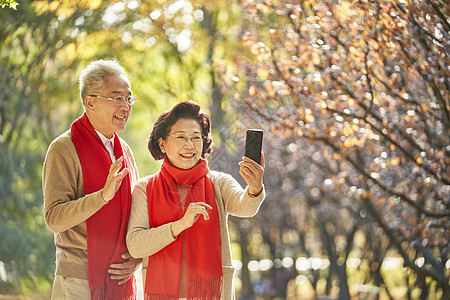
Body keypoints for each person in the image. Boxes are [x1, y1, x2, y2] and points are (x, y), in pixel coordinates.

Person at [126, 100, 266, 300]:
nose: (189, 145)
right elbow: (136, 245)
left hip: (211, 294)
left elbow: (245, 207)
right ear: (162, 143)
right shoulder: (145, 188)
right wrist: (180, 225)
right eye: (181, 137)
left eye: (196, 138)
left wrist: (254, 187)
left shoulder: (219, 182)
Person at [43, 59, 141, 300]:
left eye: (128, 98)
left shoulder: (123, 150)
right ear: (90, 102)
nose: (125, 106)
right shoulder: (63, 149)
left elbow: (138, 212)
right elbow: (54, 219)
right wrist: (103, 196)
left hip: (121, 281)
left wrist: (138, 258)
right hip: (79, 280)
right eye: (117, 98)